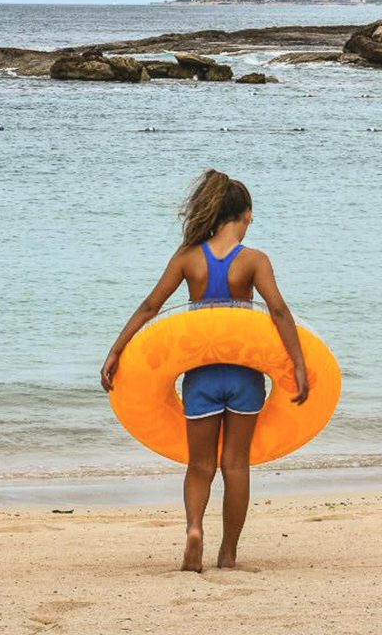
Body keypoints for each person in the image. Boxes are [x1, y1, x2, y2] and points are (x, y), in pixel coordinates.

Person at [100, 169, 309, 572]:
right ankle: (228, 552)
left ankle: (194, 528)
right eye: (251, 219)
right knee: (235, 464)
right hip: (245, 377)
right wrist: (298, 364)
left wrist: (116, 350)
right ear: (245, 216)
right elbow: (279, 312)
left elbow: (150, 307)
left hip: (202, 377)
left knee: (199, 466)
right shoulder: (253, 260)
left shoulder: (188, 258)